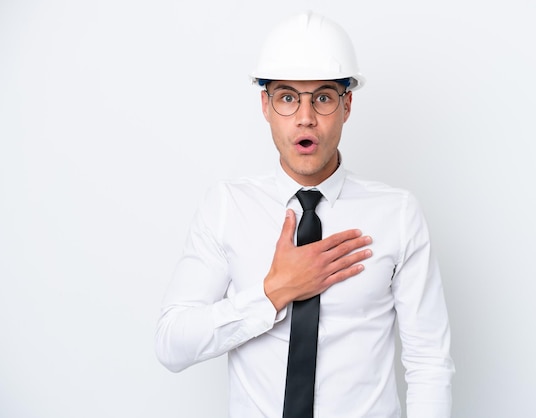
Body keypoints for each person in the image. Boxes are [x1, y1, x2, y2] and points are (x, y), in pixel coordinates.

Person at [155, 11, 454, 418]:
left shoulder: (397, 214)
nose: (305, 116)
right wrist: (274, 292)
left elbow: (428, 363)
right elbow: (173, 344)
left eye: (324, 97)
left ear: (347, 105)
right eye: (288, 97)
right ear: (266, 105)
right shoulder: (226, 206)